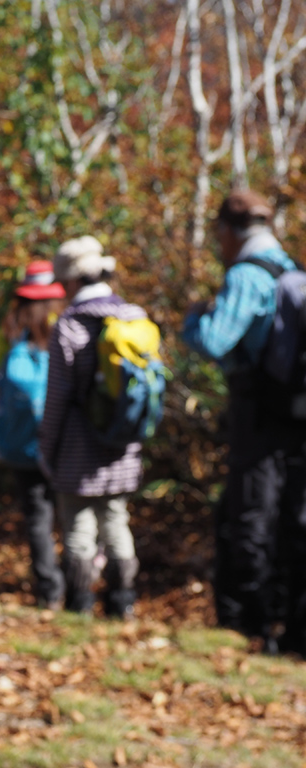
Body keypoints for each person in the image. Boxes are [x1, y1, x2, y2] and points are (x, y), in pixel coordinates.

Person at [182, 189, 306, 653]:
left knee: (249, 514)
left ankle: (251, 625)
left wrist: (193, 321)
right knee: (294, 517)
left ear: (229, 231)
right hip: (296, 413)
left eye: (218, 235)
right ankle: (292, 627)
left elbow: (214, 341)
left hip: (258, 415)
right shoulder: (293, 270)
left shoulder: (246, 276)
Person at [39, 236, 142, 617]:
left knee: (79, 525)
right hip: (123, 442)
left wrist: (46, 448)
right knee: (116, 520)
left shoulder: (68, 326)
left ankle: (80, 604)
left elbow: (56, 400)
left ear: (68, 282)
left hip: (77, 445)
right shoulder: (133, 316)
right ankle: (122, 603)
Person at [0, 260, 66, 608]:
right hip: (62, 438)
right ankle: (79, 578)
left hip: (22, 442)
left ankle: (48, 588)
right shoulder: (64, 324)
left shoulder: (10, 328)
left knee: (37, 516)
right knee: (68, 512)